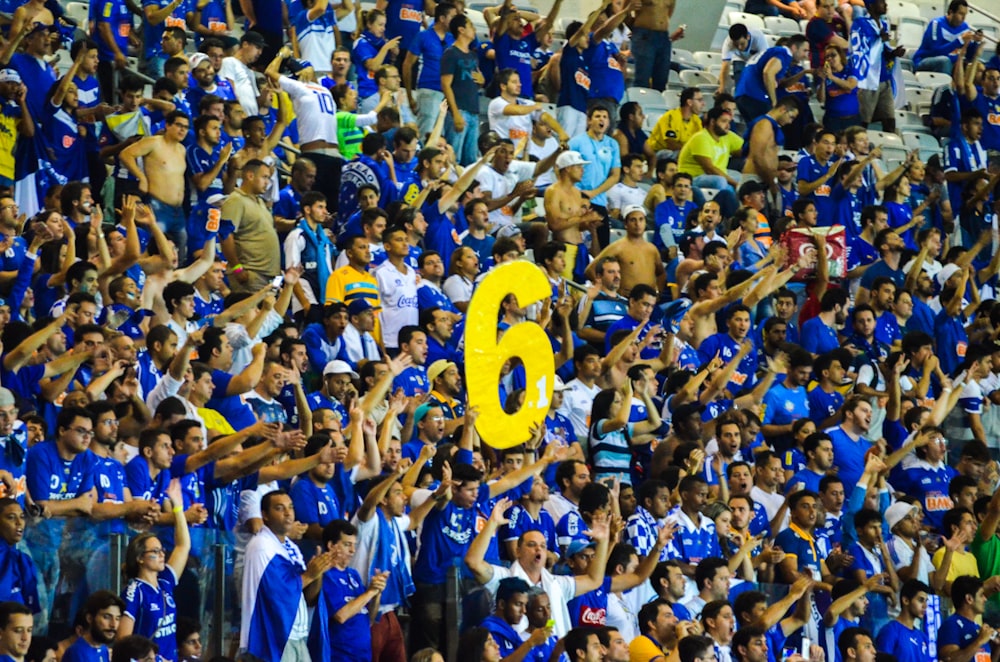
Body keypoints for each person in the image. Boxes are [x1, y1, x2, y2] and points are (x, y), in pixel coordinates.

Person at [240, 489, 337, 661]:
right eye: (279, 508)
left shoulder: (291, 547)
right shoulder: (262, 545)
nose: (288, 513)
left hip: (298, 635)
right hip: (274, 639)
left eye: (290, 507)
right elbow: (277, 592)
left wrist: (318, 572)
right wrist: (309, 574)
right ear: (265, 515)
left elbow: (308, 596)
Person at [117, 480, 190, 660]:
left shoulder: (165, 582)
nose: (162, 555)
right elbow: (123, 642)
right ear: (140, 558)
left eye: (162, 550)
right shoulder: (135, 592)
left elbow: (182, 545)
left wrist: (178, 508)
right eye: (155, 552)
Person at [64, 591, 123, 662]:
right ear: (90, 618)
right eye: (107, 617)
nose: (113, 624)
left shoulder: (104, 650)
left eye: (117, 618)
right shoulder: (76, 652)